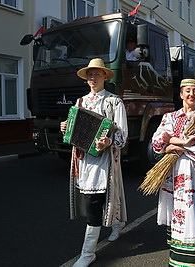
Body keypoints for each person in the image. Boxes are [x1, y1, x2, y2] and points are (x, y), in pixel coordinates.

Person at [60, 58, 128, 267]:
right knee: (105, 199)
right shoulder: (80, 102)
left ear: (105, 77)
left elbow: (122, 135)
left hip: (104, 161)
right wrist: (65, 127)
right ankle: (118, 223)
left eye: (97, 73)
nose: (92, 77)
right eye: (90, 74)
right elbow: (73, 131)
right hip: (84, 161)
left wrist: (109, 141)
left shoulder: (114, 102)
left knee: (94, 204)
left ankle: (88, 253)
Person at [151, 79, 195, 266]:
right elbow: (157, 142)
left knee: (189, 206)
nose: (191, 95)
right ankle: (177, 252)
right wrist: (183, 142)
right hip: (171, 169)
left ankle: (189, 257)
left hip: (191, 169)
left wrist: (173, 142)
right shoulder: (169, 117)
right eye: (187, 91)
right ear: (181, 94)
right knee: (175, 208)